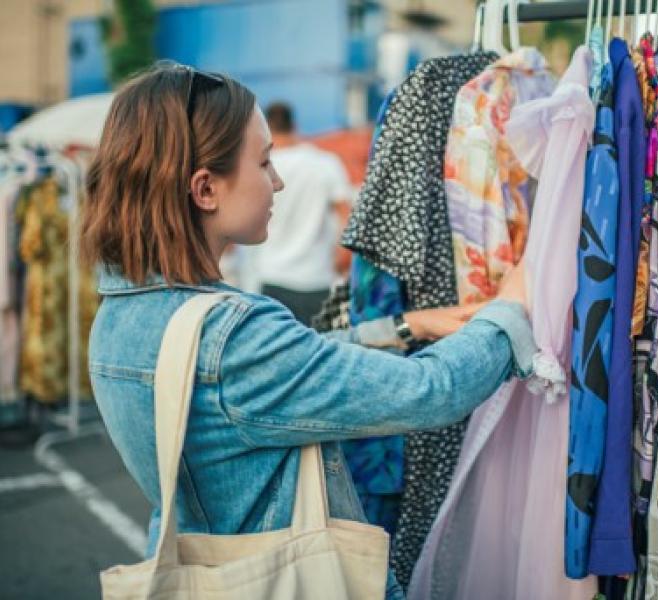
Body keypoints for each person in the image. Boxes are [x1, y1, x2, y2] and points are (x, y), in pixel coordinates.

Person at [81, 63, 532, 600]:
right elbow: (432, 393)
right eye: (264, 161)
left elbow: (264, 382)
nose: (277, 179)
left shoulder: (121, 312)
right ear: (205, 189)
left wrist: (402, 327)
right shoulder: (235, 335)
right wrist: (510, 308)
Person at [239, 102, 352, 325]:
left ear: (267, 128)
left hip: (270, 278)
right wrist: (342, 257)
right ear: (295, 125)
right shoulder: (325, 163)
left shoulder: (258, 168)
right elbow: (347, 216)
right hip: (317, 279)